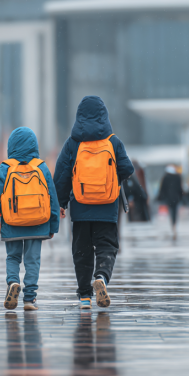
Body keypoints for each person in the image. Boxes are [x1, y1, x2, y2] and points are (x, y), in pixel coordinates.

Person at [54, 96, 134, 309]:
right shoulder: (113, 142)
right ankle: (101, 277)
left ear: (79, 116)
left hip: (80, 208)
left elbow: (61, 176)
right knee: (107, 246)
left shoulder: (72, 143)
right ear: (104, 115)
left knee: (82, 250)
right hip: (107, 207)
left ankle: (84, 296)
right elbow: (127, 169)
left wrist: (60, 203)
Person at [0, 127, 60, 311]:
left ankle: (13, 282)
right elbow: (52, 198)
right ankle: (30, 298)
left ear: (11, 146)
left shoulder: (5, 168)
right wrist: (53, 225)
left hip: (12, 222)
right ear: (34, 145)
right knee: (32, 259)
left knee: (13, 257)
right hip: (38, 222)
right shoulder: (41, 167)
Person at [157, 165, 184, 239]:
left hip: (169, 198)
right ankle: (174, 224)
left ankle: (172, 223)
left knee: (171, 211)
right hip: (176, 198)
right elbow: (180, 188)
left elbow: (162, 188)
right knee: (175, 211)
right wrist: (181, 196)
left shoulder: (165, 177)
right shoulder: (178, 177)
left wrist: (161, 196)